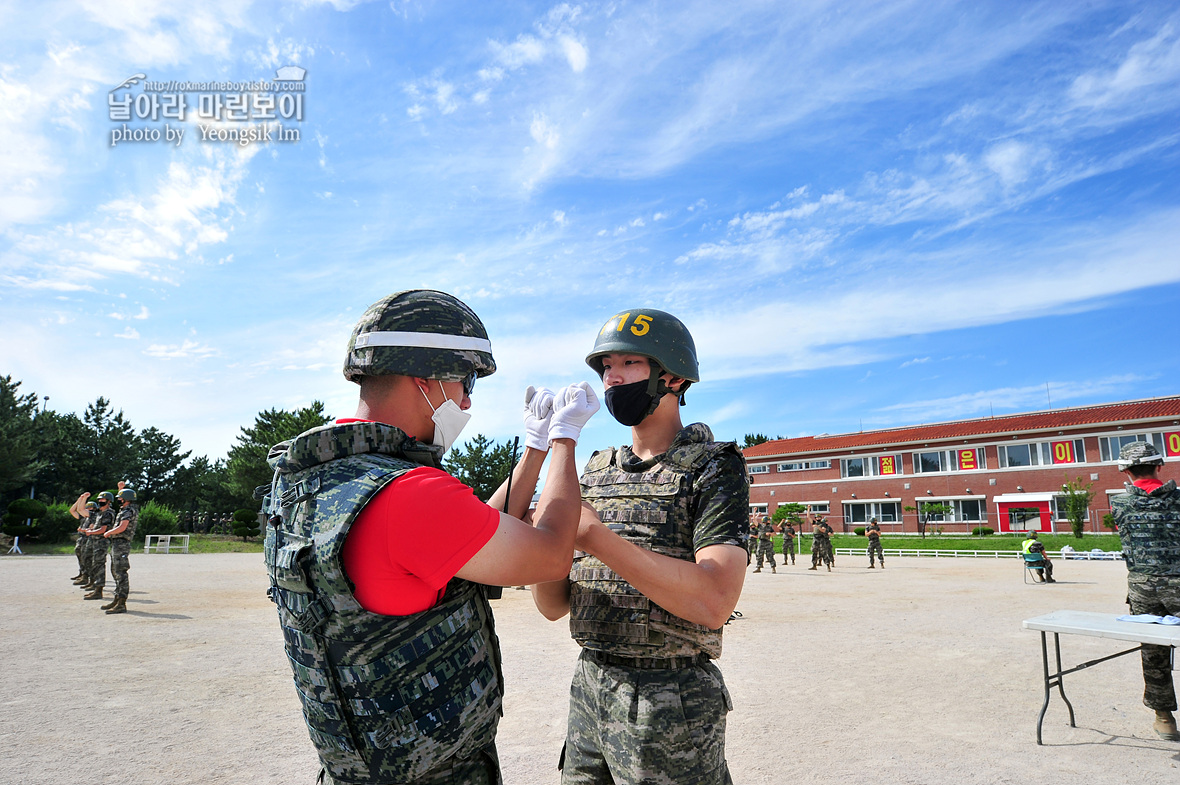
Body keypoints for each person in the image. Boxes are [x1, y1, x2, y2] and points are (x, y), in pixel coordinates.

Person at [262, 289, 597, 785]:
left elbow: (467, 538)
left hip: (356, 766)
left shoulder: (308, 479)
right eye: (465, 382)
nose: (465, 400)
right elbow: (549, 556)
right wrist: (566, 442)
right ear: (427, 379)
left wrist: (532, 451)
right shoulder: (412, 493)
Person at [532, 307, 749, 785]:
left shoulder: (713, 467)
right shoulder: (595, 470)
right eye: (606, 366)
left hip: (670, 696)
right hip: (590, 685)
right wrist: (547, 541)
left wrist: (592, 536)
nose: (612, 377)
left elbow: (714, 600)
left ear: (671, 377)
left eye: (629, 363)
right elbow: (552, 606)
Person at [1110, 441, 1180, 742]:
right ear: (1159, 466)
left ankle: (1164, 718)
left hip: (1142, 588)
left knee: (1153, 653)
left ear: (1125, 470)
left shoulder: (1119, 504)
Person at [101, 483, 138, 614]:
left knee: (121, 573)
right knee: (116, 571)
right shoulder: (126, 509)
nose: (118, 500)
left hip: (121, 544)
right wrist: (121, 489)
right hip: (118, 544)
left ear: (125, 499)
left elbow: (122, 527)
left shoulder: (128, 511)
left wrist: (109, 532)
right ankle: (117, 599)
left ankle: (121, 603)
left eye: (120, 498)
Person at [82, 492, 115, 600]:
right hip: (95, 541)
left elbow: (103, 529)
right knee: (94, 564)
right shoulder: (101, 513)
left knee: (99, 565)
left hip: (101, 542)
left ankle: (98, 590)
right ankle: (96, 587)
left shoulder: (108, 513)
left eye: (103, 500)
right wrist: (91, 530)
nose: (100, 502)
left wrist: (91, 532)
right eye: (99, 500)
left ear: (109, 501)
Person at [68, 496, 97, 583]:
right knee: (80, 556)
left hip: (88, 538)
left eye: (91, 508)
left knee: (86, 558)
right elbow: (72, 510)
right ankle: (82, 573)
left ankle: (86, 576)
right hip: (81, 538)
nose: (89, 509)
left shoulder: (94, 516)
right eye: (88, 507)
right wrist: (79, 499)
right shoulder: (84, 517)